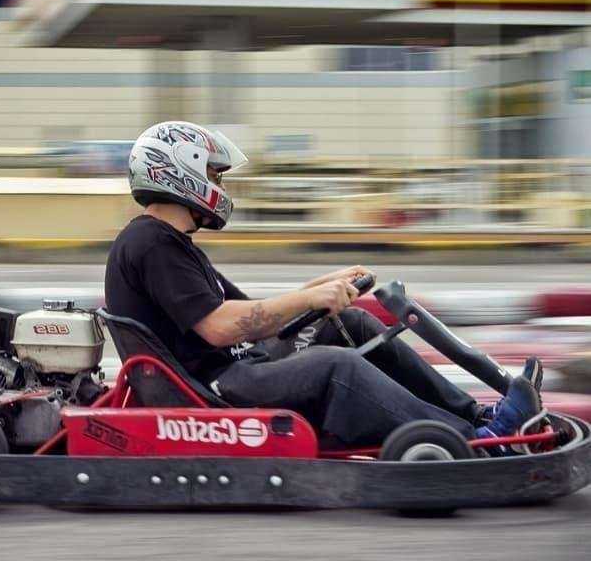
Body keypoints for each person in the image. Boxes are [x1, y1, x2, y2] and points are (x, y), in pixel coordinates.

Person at [105, 121, 543, 451]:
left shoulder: (168, 242)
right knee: (335, 364)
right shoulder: (151, 243)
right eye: (215, 175)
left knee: (350, 322)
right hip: (212, 389)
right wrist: (312, 296)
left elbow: (252, 312)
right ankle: (470, 440)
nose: (220, 186)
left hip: (234, 367)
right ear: (181, 173)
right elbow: (220, 329)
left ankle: (480, 417)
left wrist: (327, 285)